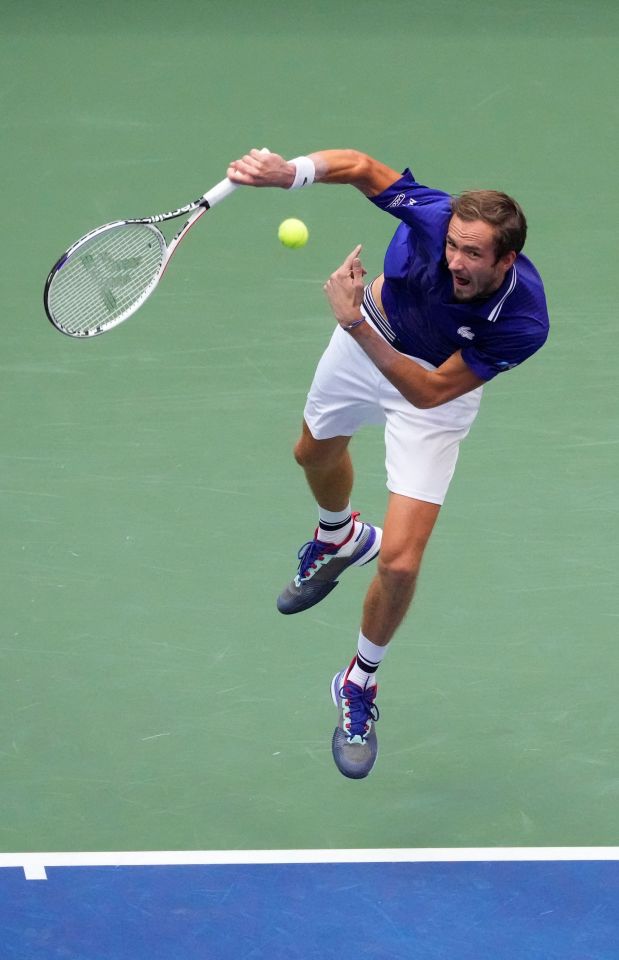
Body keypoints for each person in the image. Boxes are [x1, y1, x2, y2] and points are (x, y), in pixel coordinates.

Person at [227, 148, 549, 779]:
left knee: (401, 560)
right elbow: (358, 166)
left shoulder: (524, 320)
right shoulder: (435, 218)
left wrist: (353, 326)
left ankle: (359, 681)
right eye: (454, 244)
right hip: (367, 334)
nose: (456, 260)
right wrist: (287, 174)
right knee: (311, 453)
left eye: (474, 253)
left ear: (505, 259)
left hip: (428, 389)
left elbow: (427, 395)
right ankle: (339, 534)